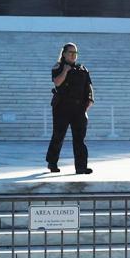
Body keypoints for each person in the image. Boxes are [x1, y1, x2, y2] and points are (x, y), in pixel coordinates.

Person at [47, 43, 93, 175]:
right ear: (64, 54)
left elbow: (89, 87)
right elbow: (57, 82)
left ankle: (81, 167)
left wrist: (90, 100)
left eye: (75, 53)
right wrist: (65, 71)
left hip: (79, 108)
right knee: (58, 136)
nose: (73, 55)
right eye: (71, 52)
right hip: (62, 107)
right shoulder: (58, 67)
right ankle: (52, 162)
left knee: (80, 138)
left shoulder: (83, 69)